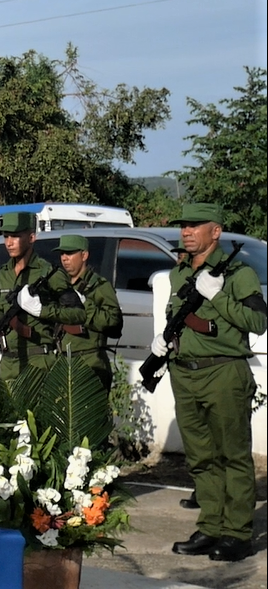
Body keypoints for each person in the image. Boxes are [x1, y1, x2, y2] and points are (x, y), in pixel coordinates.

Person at [156, 204, 265, 563]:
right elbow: (180, 318)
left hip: (223, 372)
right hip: (184, 372)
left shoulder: (239, 273)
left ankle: (236, 534)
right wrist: (164, 342)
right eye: (183, 226)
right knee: (201, 456)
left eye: (193, 226)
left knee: (232, 455)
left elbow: (257, 322)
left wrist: (218, 296)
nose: (185, 232)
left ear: (215, 232)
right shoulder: (179, 274)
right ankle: (211, 526)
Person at [0, 212, 66, 382]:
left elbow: (76, 314)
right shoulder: (4, 273)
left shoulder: (48, 273)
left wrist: (42, 310)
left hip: (37, 362)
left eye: (15, 236)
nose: (9, 242)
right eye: (6, 236)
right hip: (8, 363)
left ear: (32, 237)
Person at [32, 234, 122, 390]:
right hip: (63, 362)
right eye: (62, 254)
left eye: (70, 253)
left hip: (90, 362)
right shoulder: (58, 286)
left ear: (84, 255)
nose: (65, 258)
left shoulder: (99, 286)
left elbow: (113, 322)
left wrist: (84, 304)